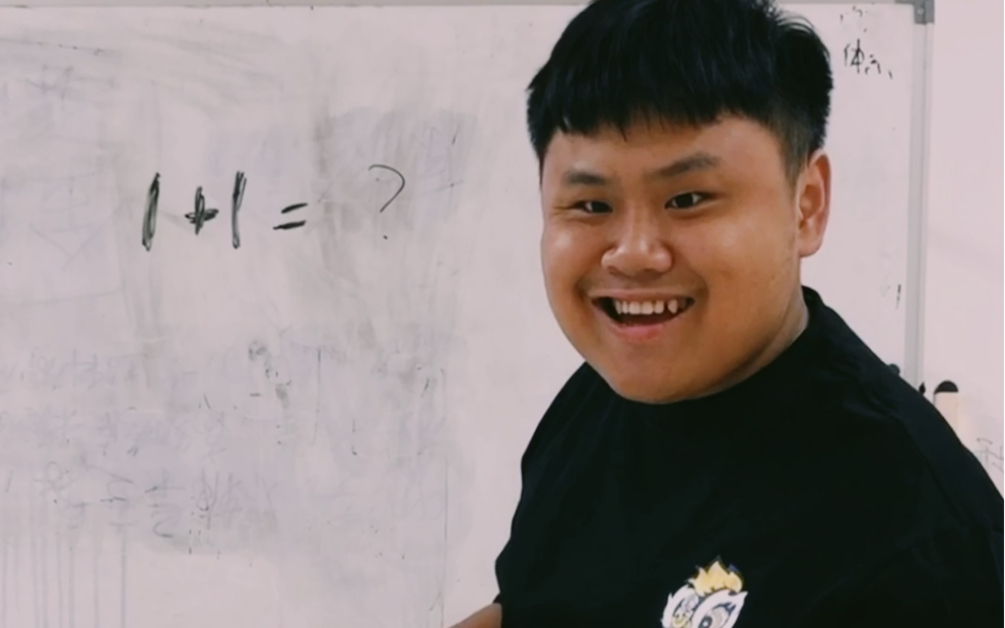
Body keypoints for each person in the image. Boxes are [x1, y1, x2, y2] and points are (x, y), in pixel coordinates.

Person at [450, 0, 1003, 626]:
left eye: (687, 199)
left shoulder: (919, 541)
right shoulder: (595, 403)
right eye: (591, 205)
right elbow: (527, 608)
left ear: (806, 206)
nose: (632, 253)